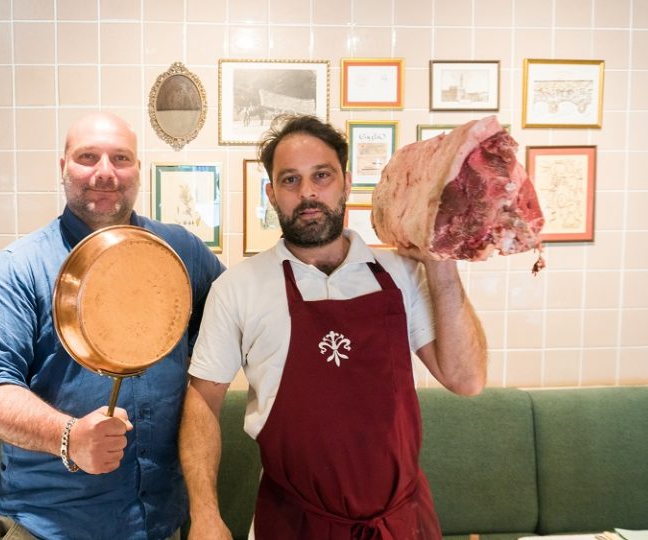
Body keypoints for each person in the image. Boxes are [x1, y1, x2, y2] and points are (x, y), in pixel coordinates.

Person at [179, 115, 487, 539]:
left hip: (400, 524)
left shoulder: (398, 272)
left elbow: (466, 379)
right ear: (271, 194)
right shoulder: (238, 287)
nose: (307, 192)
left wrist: (440, 260)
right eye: (290, 180)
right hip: (294, 523)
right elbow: (202, 402)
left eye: (321, 176)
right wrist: (205, 514)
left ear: (346, 180)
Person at [0, 112, 225, 540]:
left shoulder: (181, 252)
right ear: (62, 167)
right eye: (87, 157)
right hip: (50, 528)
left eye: (121, 158)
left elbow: (233, 323)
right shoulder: (15, 270)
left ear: (138, 170)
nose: (104, 172)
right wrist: (68, 436)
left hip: (161, 526)